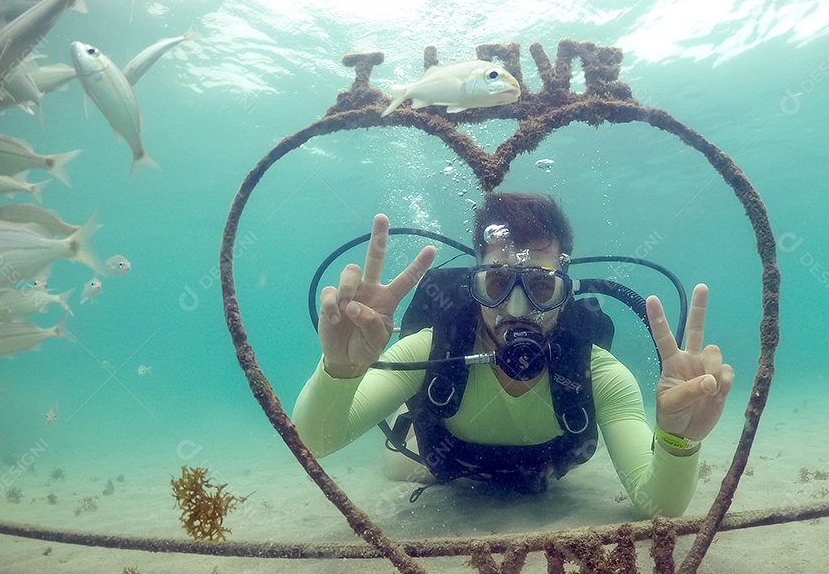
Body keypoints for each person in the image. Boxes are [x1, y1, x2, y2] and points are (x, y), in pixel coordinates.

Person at [292, 193, 733, 517]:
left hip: (541, 469)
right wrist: (340, 370)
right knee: (398, 464)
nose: (517, 309)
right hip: (446, 466)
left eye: (541, 286)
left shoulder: (598, 373)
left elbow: (659, 506)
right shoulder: (432, 349)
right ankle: (412, 442)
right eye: (498, 284)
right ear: (475, 286)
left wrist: (679, 441)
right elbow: (315, 443)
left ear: (566, 292)